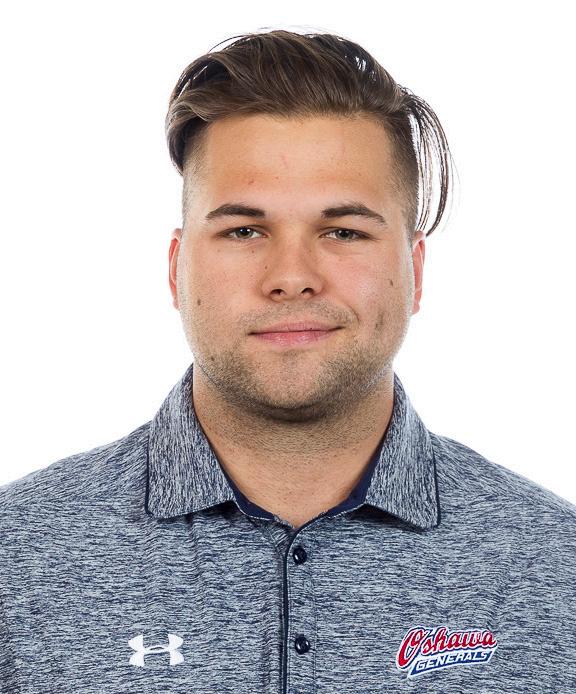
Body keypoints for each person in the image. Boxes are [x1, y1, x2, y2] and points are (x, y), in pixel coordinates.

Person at [1, 28, 575, 694]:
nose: (292, 277)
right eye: (245, 230)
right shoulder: (18, 560)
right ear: (176, 268)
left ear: (415, 270)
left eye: (343, 231)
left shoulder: (557, 568)